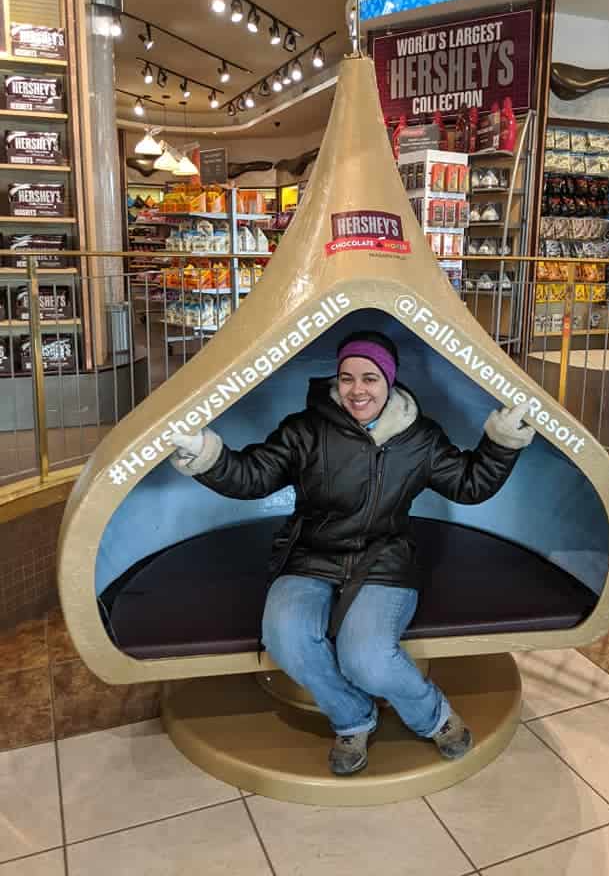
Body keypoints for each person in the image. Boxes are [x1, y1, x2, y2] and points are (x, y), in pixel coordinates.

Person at [169, 330, 534, 776]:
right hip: (310, 555)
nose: (357, 390)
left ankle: (433, 717)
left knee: (368, 659)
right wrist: (206, 454)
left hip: (384, 559)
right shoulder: (306, 429)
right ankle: (352, 718)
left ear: (390, 382)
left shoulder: (420, 438)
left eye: (370, 378)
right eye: (347, 378)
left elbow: (470, 483)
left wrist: (501, 443)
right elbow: (252, 477)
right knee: (287, 638)